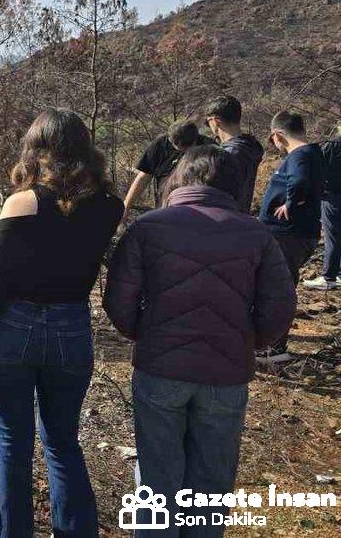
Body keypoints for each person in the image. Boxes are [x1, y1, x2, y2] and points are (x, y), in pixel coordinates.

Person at [105, 145, 295, 537]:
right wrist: (246, 341)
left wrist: (145, 332)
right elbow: (279, 308)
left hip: (160, 369)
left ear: (180, 178)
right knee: (211, 481)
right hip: (225, 374)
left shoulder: (148, 227)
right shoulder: (255, 234)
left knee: (156, 479)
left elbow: (118, 300)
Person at [0, 108, 122, 538]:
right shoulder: (109, 206)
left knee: (13, 440)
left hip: (14, 328)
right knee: (63, 441)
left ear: (38, 150)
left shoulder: (22, 203)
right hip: (72, 327)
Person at [257, 110, 324, 363]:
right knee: (280, 286)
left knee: (277, 288)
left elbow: (298, 181)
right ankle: (271, 345)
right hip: (295, 234)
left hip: (287, 235)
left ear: (278, 136)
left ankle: (273, 349)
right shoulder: (313, 154)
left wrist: (290, 205)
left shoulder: (300, 156)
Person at [121, 118, 212, 217]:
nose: (182, 151)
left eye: (186, 148)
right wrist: (126, 207)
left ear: (195, 140)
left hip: (198, 210)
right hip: (164, 208)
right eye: (176, 147)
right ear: (170, 139)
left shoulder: (209, 150)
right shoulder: (160, 145)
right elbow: (143, 177)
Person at [202, 95, 264, 212]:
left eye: (208, 122)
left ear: (216, 121)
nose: (208, 126)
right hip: (242, 214)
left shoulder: (226, 155)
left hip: (223, 217)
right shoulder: (251, 146)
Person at [304, 128, 341, 290]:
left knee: (332, 237)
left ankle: (329, 277)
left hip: (332, 197)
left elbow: (317, 170)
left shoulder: (331, 145)